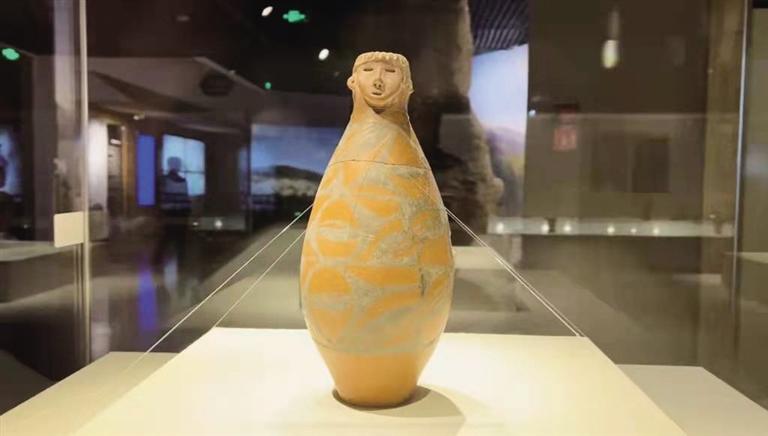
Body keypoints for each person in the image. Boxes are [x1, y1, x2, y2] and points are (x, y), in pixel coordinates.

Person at [153, 156, 191, 269]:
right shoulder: (182, 181)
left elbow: (159, 197)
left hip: (169, 212)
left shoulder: (164, 180)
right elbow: (186, 199)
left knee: (167, 236)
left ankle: (157, 260)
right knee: (179, 238)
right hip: (181, 212)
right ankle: (180, 262)